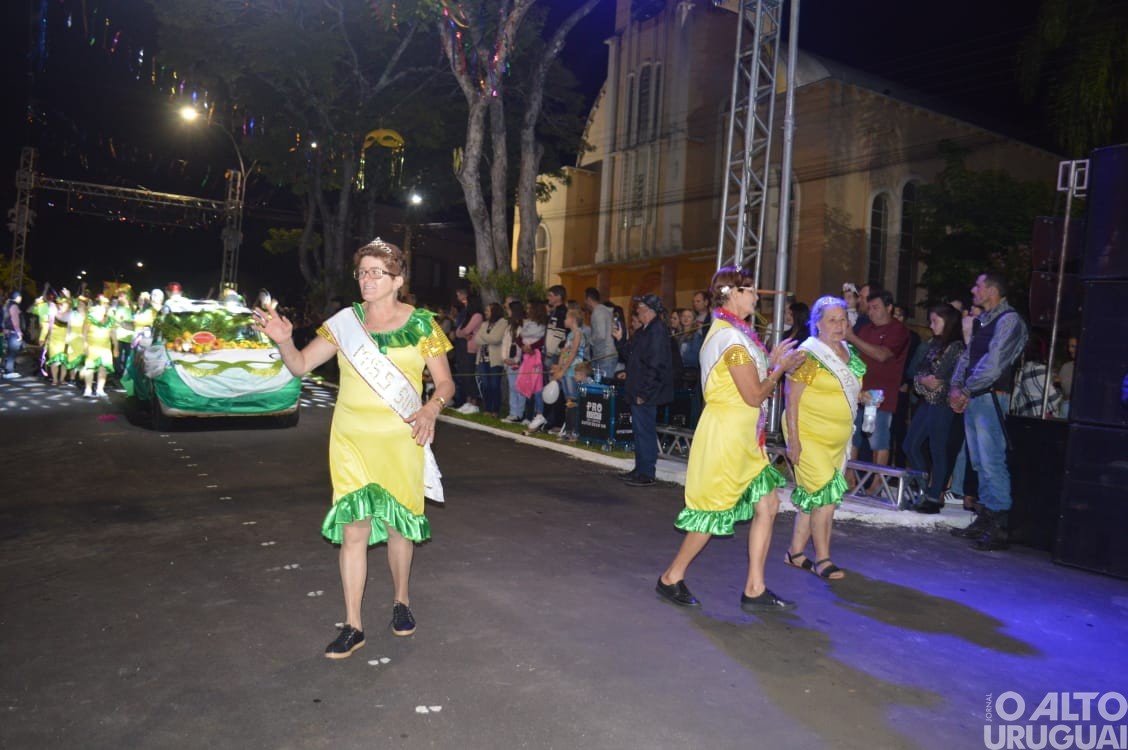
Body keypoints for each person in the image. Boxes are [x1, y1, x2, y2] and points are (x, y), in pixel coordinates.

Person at [256, 238, 455, 658]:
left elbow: (446, 383)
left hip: (401, 439)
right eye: (362, 272)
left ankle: (401, 601)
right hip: (350, 440)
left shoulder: (422, 324)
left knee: (401, 526)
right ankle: (353, 624)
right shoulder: (344, 322)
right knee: (354, 529)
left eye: (375, 273)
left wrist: (431, 409)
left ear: (397, 280)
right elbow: (300, 365)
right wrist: (283, 340)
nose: (366, 280)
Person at [656, 268, 805, 612]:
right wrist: (779, 368)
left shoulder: (738, 335)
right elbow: (754, 394)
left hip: (743, 439)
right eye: (751, 290)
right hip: (726, 437)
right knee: (710, 513)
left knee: (767, 504)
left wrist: (770, 361)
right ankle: (670, 577)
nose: (756, 296)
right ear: (731, 294)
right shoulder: (732, 340)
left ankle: (754, 587)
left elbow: (746, 382)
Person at [782, 296, 865, 581]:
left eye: (844, 319)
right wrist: (793, 440)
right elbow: (791, 398)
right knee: (826, 495)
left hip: (837, 438)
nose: (840, 325)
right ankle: (823, 558)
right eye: (833, 320)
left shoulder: (849, 353)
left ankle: (795, 552)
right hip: (809, 433)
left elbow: (844, 390)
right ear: (817, 324)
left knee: (814, 496)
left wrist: (865, 397)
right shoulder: (809, 353)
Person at [948, 272, 1028, 551]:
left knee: (992, 460)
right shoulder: (987, 320)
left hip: (992, 398)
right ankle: (986, 517)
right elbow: (969, 356)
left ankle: (999, 525)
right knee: (980, 462)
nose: (973, 289)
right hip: (976, 397)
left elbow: (993, 365)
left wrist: (965, 390)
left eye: (978, 286)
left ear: (992, 290)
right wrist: (956, 388)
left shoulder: (1009, 321)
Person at [903, 304, 965, 513]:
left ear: (947, 322)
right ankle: (924, 491)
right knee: (910, 445)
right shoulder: (935, 345)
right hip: (927, 403)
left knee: (937, 450)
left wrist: (926, 380)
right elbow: (918, 375)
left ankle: (933, 496)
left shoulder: (956, 347)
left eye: (935, 321)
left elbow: (940, 380)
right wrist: (925, 380)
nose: (931, 325)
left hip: (942, 405)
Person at [845, 288, 910, 469]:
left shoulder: (898, 330)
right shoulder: (866, 329)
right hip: (860, 392)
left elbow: (882, 355)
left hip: (881, 396)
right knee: (854, 435)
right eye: (869, 308)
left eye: (876, 307)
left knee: (878, 439)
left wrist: (852, 338)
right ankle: (851, 477)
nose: (871, 312)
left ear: (889, 307)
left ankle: (877, 483)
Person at [614, 294, 674, 487]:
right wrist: (620, 340)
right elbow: (630, 357)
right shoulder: (645, 330)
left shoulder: (657, 330)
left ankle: (647, 472)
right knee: (640, 431)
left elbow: (656, 365)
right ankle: (640, 469)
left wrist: (644, 393)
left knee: (645, 431)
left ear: (649, 309)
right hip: (639, 388)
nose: (636, 310)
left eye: (640, 307)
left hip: (645, 391)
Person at [474, 302, 507, 417]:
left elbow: (496, 339)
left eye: (488, 310)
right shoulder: (484, 323)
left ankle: (495, 410)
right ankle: (487, 408)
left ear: (495, 311)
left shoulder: (503, 323)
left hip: (495, 360)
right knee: (485, 385)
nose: (486, 312)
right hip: (482, 359)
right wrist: (485, 337)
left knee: (494, 385)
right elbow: (476, 339)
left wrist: (483, 335)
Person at [81, 295, 117, 398]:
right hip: (92, 346)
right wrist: (84, 345)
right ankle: (87, 389)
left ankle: (100, 390)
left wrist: (116, 347)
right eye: (103, 305)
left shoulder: (110, 319)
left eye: (107, 305)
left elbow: (113, 334)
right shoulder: (90, 317)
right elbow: (84, 333)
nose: (106, 307)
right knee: (90, 368)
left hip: (105, 347)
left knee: (103, 368)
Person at [584, 288, 615, 381]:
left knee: (604, 387)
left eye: (585, 300)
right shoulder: (602, 311)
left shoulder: (598, 312)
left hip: (605, 355)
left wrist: (589, 340)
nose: (584, 302)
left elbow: (601, 335)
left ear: (589, 299)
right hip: (606, 355)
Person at [3, 291, 24, 378]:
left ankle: (7, 369)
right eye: (20, 297)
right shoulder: (14, 306)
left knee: (9, 352)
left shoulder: (7, 305)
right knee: (12, 352)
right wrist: (19, 333)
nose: (21, 298)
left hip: (7, 331)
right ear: (17, 297)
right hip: (13, 332)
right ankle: (9, 372)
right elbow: (15, 321)